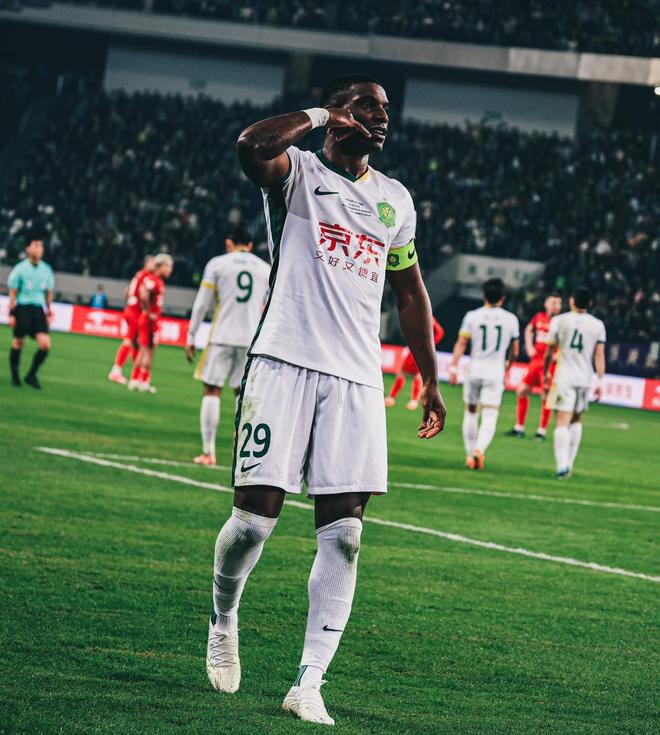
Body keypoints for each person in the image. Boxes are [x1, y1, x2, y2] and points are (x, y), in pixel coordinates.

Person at [205, 74, 446, 726]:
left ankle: (308, 681)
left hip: (357, 380)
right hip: (283, 362)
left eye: (387, 109)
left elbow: (410, 294)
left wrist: (428, 376)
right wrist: (320, 115)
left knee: (345, 538)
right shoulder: (299, 173)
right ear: (340, 110)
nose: (383, 117)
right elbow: (250, 145)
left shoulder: (395, 201)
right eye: (369, 105)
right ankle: (224, 617)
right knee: (253, 522)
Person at [185, 224, 270, 466]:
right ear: (251, 245)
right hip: (251, 341)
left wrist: (191, 335)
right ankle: (241, 452)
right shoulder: (265, 269)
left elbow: (202, 304)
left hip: (222, 336)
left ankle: (208, 453)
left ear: (229, 243)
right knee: (243, 395)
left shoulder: (217, 264)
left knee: (212, 390)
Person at [449, 278, 519, 470]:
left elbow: (461, 343)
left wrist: (453, 367)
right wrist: (508, 367)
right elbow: (515, 350)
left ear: (484, 295)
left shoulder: (472, 316)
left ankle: (469, 454)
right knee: (490, 413)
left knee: (471, 411)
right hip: (495, 371)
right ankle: (479, 449)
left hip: (474, 369)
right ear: (503, 297)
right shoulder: (511, 319)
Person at [543, 286, 606, 479]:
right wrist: (600, 380)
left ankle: (562, 465)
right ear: (590, 303)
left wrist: (545, 373)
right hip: (585, 378)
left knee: (562, 420)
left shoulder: (559, 321)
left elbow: (549, 351)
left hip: (564, 377)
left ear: (571, 301)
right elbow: (599, 354)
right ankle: (569, 463)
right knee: (576, 419)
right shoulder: (597, 325)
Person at [507, 293, 562, 439]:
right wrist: (529, 346)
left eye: (558, 303)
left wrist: (559, 355)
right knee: (522, 391)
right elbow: (529, 329)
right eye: (553, 303)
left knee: (546, 395)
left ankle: (541, 432)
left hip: (550, 364)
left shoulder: (561, 322)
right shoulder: (539, 317)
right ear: (546, 304)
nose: (556, 306)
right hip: (536, 361)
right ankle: (519, 428)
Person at [7, 236, 54, 389]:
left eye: (41, 246)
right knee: (19, 342)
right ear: (28, 249)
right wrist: (11, 314)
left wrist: (49, 310)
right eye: (36, 245)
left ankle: (31, 375)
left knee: (45, 344)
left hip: (38, 310)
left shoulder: (47, 270)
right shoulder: (20, 269)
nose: (39, 249)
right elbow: (13, 293)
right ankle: (15, 376)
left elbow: (48, 292)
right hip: (23, 308)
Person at [127, 253, 173, 393]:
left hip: (148, 318)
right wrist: (148, 311)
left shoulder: (154, 280)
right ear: (161, 266)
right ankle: (141, 380)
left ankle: (138, 380)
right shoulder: (153, 280)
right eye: (168, 267)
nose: (170, 270)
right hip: (149, 320)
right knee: (147, 350)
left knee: (145, 350)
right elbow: (143, 293)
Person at [108, 255, 155, 385]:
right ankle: (116, 371)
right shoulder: (146, 276)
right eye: (152, 262)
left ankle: (137, 373)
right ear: (146, 264)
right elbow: (143, 294)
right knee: (129, 340)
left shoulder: (139, 275)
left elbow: (127, 291)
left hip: (130, 309)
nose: (155, 265)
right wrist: (146, 309)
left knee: (135, 342)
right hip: (135, 311)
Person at [385, 317, 444, 410]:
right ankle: (413, 401)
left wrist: (432, 321)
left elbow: (439, 332)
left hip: (415, 355)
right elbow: (440, 332)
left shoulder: (423, 335)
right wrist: (433, 322)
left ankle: (393, 397)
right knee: (415, 376)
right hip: (421, 356)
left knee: (405, 374)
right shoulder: (430, 338)